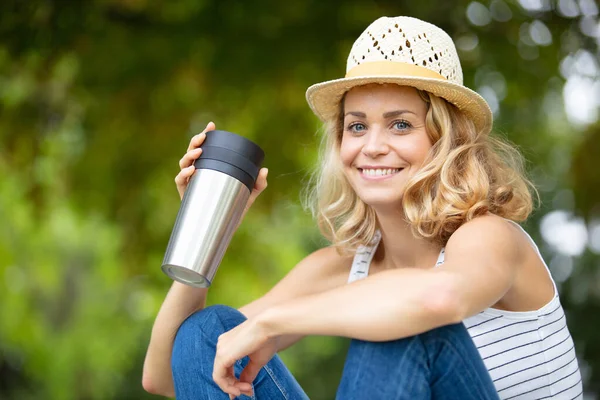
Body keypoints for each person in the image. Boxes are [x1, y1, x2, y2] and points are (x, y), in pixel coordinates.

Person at [142, 16, 583, 399]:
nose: (372, 146)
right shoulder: (342, 268)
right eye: (357, 126)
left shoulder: (490, 237)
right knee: (208, 331)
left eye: (401, 124)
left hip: (417, 319)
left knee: (397, 324)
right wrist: (206, 235)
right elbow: (164, 376)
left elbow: (438, 297)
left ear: (446, 139)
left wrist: (270, 324)